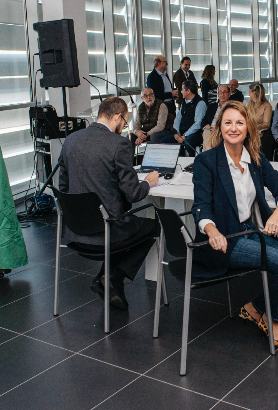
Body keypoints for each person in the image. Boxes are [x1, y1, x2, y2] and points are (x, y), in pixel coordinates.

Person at [192, 101, 278, 349]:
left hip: (250, 231)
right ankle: (273, 321)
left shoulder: (255, 158)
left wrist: (277, 213)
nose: (233, 128)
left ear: (248, 128)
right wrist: (212, 231)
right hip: (225, 239)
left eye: (239, 123)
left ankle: (254, 307)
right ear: (219, 128)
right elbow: (200, 206)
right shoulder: (207, 161)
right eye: (228, 122)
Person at [57, 97, 160, 310]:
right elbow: (133, 193)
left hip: (74, 232)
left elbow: (64, 187)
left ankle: (107, 278)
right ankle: (113, 275)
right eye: (125, 122)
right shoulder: (119, 144)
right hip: (106, 232)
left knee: (126, 223)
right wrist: (148, 183)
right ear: (116, 117)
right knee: (152, 227)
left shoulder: (71, 140)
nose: (124, 128)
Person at [161, 79, 206, 156]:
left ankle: (191, 164)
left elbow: (198, 123)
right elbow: (178, 118)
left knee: (188, 142)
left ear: (188, 91)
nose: (181, 92)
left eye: (182, 89)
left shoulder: (200, 103)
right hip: (181, 132)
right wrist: (177, 132)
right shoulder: (184, 102)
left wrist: (184, 136)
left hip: (195, 133)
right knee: (164, 141)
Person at [202, 84, 231, 151]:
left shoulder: (232, 107)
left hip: (222, 131)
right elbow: (203, 121)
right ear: (218, 94)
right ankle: (211, 154)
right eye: (220, 92)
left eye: (224, 92)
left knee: (207, 142)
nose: (222, 95)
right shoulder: (212, 106)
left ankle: (209, 156)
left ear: (229, 94)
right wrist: (206, 125)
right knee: (206, 132)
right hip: (211, 130)